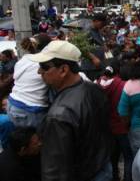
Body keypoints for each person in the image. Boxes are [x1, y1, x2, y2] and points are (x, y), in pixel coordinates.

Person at [29, 41, 112, 181]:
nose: (39, 72)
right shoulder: (94, 88)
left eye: (44, 67)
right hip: (101, 167)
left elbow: (54, 171)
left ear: (63, 70)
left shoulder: (59, 115)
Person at [96, 61, 133, 181]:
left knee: (112, 157)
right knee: (128, 157)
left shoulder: (96, 84)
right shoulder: (123, 85)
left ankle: (114, 177)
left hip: (105, 127)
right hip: (122, 127)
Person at [7, 35, 51, 128]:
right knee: (36, 141)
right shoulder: (44, 63)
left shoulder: (22, 60)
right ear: (47, 47)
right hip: (31, 110)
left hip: (11, 104)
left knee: (21, 140)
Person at [81, 13, 107, 81]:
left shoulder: (97, 30)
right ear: (96, 21)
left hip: (98, 65)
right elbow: (82, 48)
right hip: (90, 67)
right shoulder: (87, 31)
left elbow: (97, 42)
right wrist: (93, 58)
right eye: (102, 23)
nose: (103, 25)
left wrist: (103, 45)